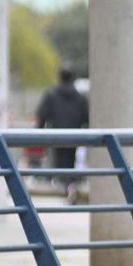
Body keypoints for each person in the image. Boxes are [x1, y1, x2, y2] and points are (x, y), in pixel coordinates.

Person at [35, 66, 89, 204]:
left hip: (57, 135)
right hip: (74, 136)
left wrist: (38, 132)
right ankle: (70, 186)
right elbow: (86, 117)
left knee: (60, 162)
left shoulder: (51, 95)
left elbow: (42, 114)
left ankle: (66, 187)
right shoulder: (80, 97)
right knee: (70, 162)